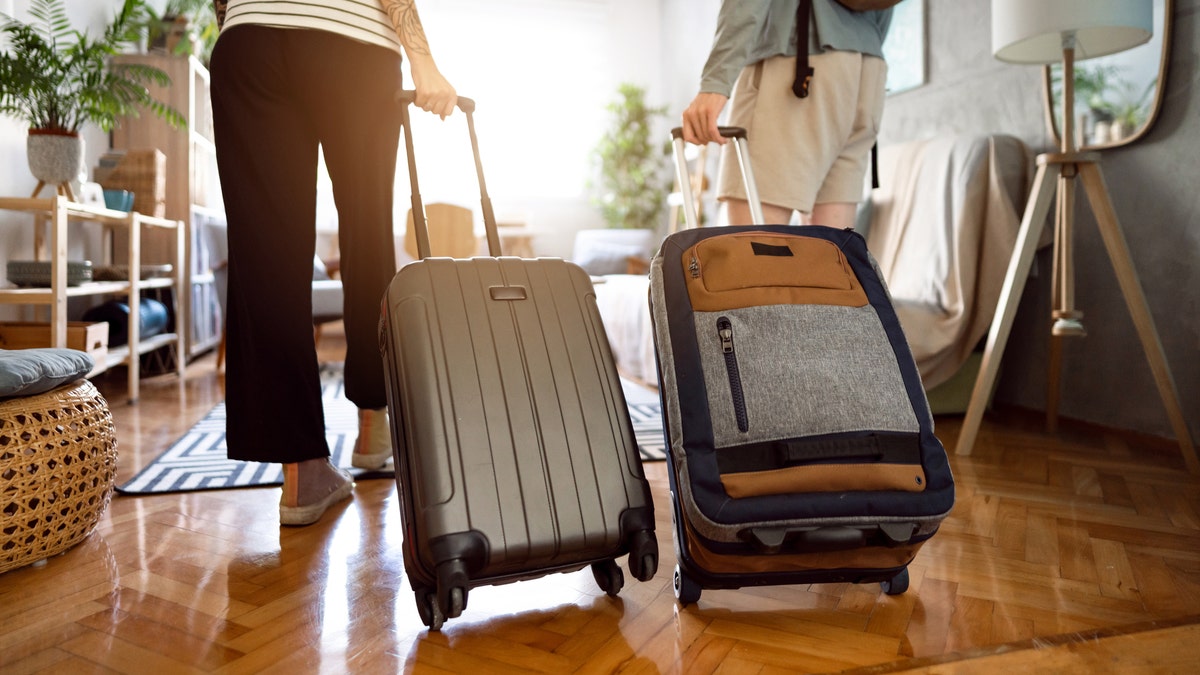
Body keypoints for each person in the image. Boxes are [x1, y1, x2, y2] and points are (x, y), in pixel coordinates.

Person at [209, 0, 456, 526]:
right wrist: (422, 58)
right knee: (367, 233)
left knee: (265, 254)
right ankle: (373, 424)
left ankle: (303, 473)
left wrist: (244, 21)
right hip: (352, 42)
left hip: (248, 40)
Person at [681, 0, 893, 230]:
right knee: (829, 253)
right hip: (866, 71)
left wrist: (715, 82)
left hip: (797, 61)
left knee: (752, 251)